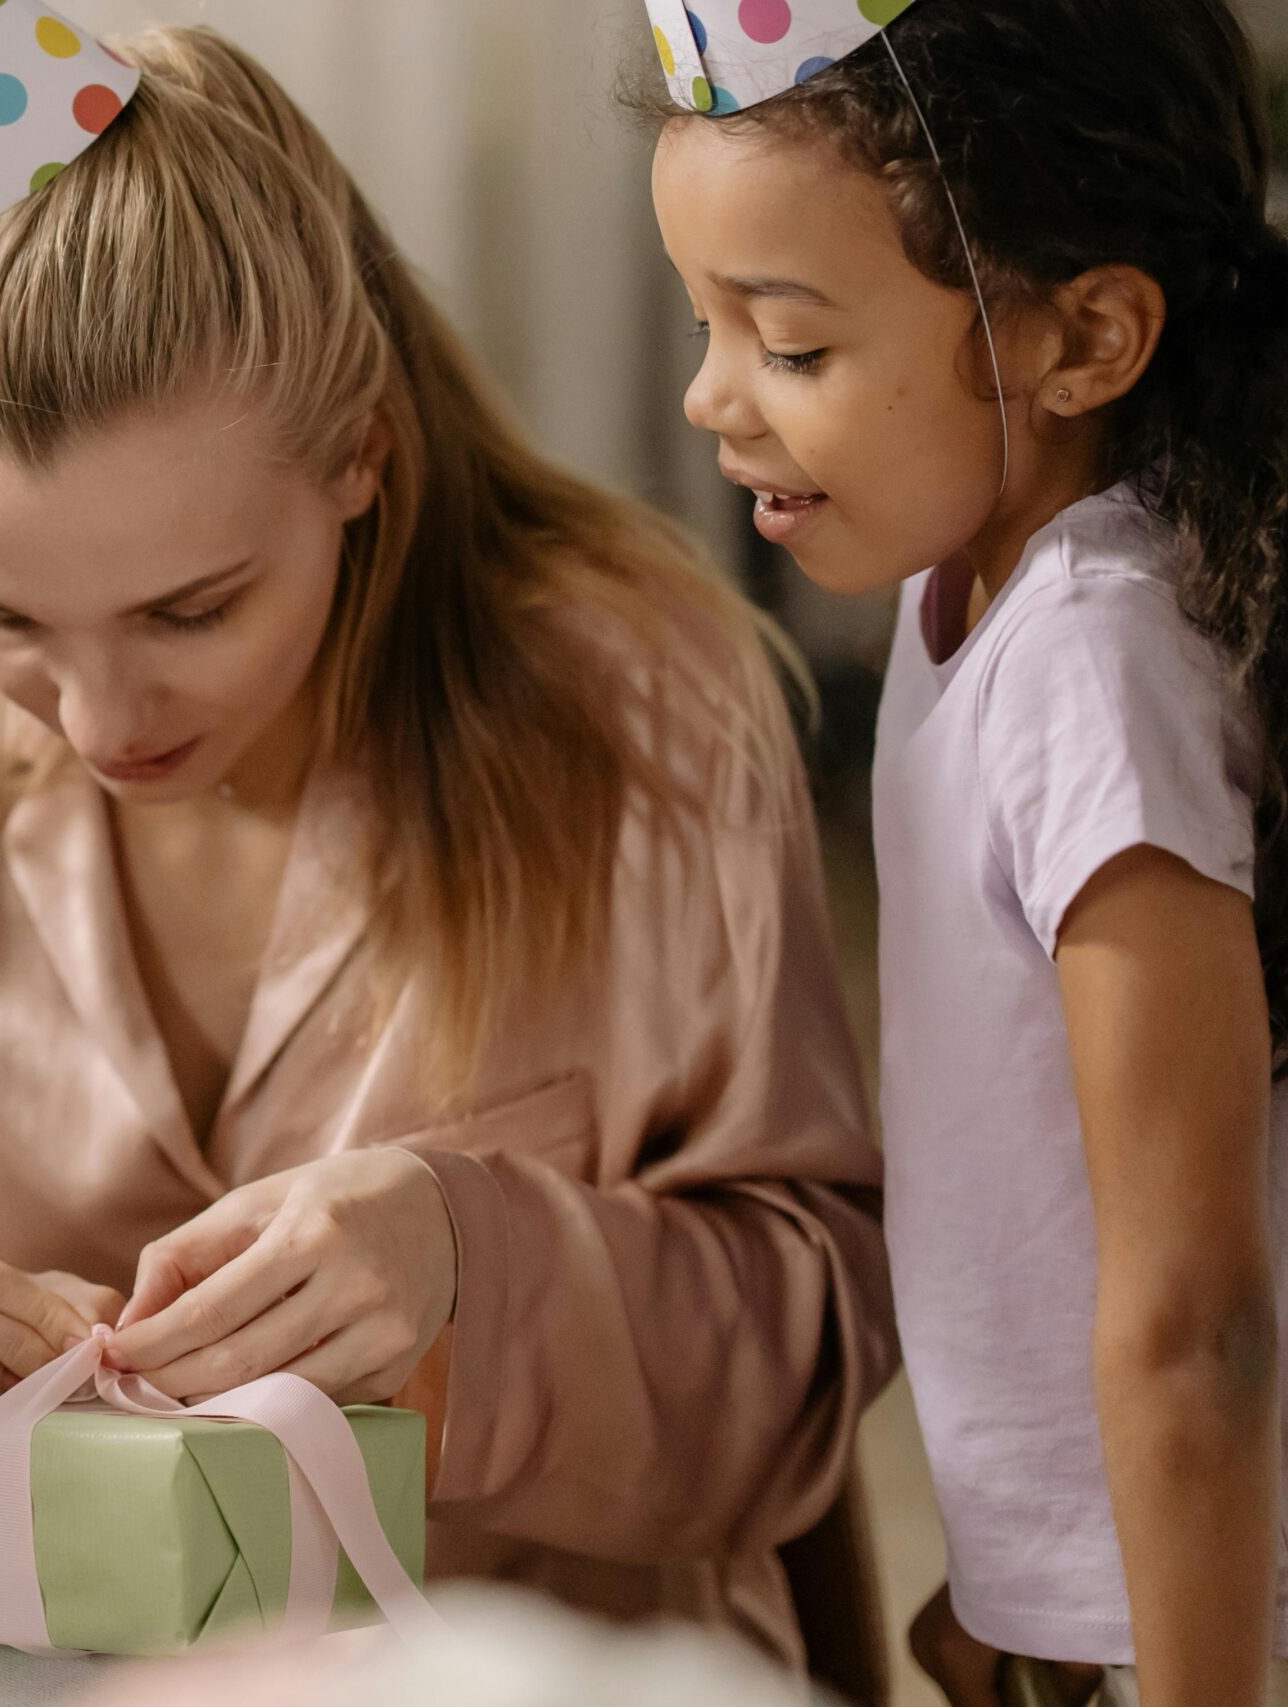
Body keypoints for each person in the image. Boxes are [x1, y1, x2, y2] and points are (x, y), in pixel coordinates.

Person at [0, 21, 894, 1665]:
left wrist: (481, 1259)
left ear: (358, 458)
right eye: (1, 612)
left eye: (193, 607)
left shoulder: (638, 717)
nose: (101, 716)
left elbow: (803, 1372)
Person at [648, 2, 1288, 1703]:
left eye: (788, 344)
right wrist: (1014, 1585)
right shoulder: (968, 592)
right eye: (704, 318)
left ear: (1083, 338)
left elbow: (1195, 1309)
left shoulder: (1088, 661)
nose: (709, 391)